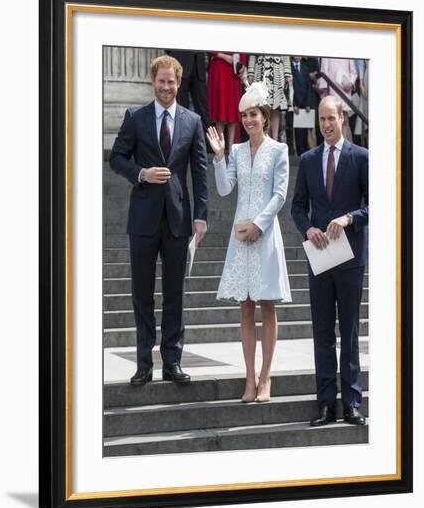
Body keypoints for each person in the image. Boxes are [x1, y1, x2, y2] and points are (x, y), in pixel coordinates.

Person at [109, 55, 208, 386]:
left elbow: (200, 170)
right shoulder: (135, 117)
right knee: (142, 295)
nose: (167, 86)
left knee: (175, 295)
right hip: (143, 219)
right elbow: (117, 158)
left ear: (180, 83)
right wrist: (142, 173)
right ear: (153, 82)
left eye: (172, 81)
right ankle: (143, 364)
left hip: (179, 220)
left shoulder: (192, 120)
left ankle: (172, 361)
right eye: (162, 81)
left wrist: (201, 216)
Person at [206, 82, 292, 403]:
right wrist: (218, 158)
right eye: (243, 116)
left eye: (253, 114)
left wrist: (260, 224)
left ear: (265, 116)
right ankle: (249, 376)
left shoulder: (278, 150)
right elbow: (226, 189)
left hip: (265, 234)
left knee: (267, 305)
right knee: (245, 307)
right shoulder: (238, 152)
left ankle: (266, 376)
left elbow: (280, 194)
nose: (247, 120)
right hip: (241, 236)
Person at [291, 95, 368, 427]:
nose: (325, 125)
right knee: (322, 332)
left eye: (330, 119)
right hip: (320, 256)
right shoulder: (308, 160)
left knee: (349, 332)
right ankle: (326, 404)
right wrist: (307, 228)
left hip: (350, 258)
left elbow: (377, 203)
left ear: (342, 118)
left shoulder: (362, 158)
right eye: (321, 120)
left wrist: (350, 218)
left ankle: (352, 403)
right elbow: (297, 207)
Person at [207, 52, 247, 153]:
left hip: (233, 70)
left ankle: (231, 147)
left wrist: (242, 64)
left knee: (233, 108)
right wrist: (224, 57)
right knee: (220, 106)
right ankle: (220, 146)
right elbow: (210, 48)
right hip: (219, 68)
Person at [247, 54, 292, 143]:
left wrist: (287, 72)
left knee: (276, 107)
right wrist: (251, 72)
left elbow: (286, 50)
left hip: (277, 69)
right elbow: (252, 52)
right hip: (260, 69)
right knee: (262, 107)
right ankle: (264, 139)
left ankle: (274, 140)